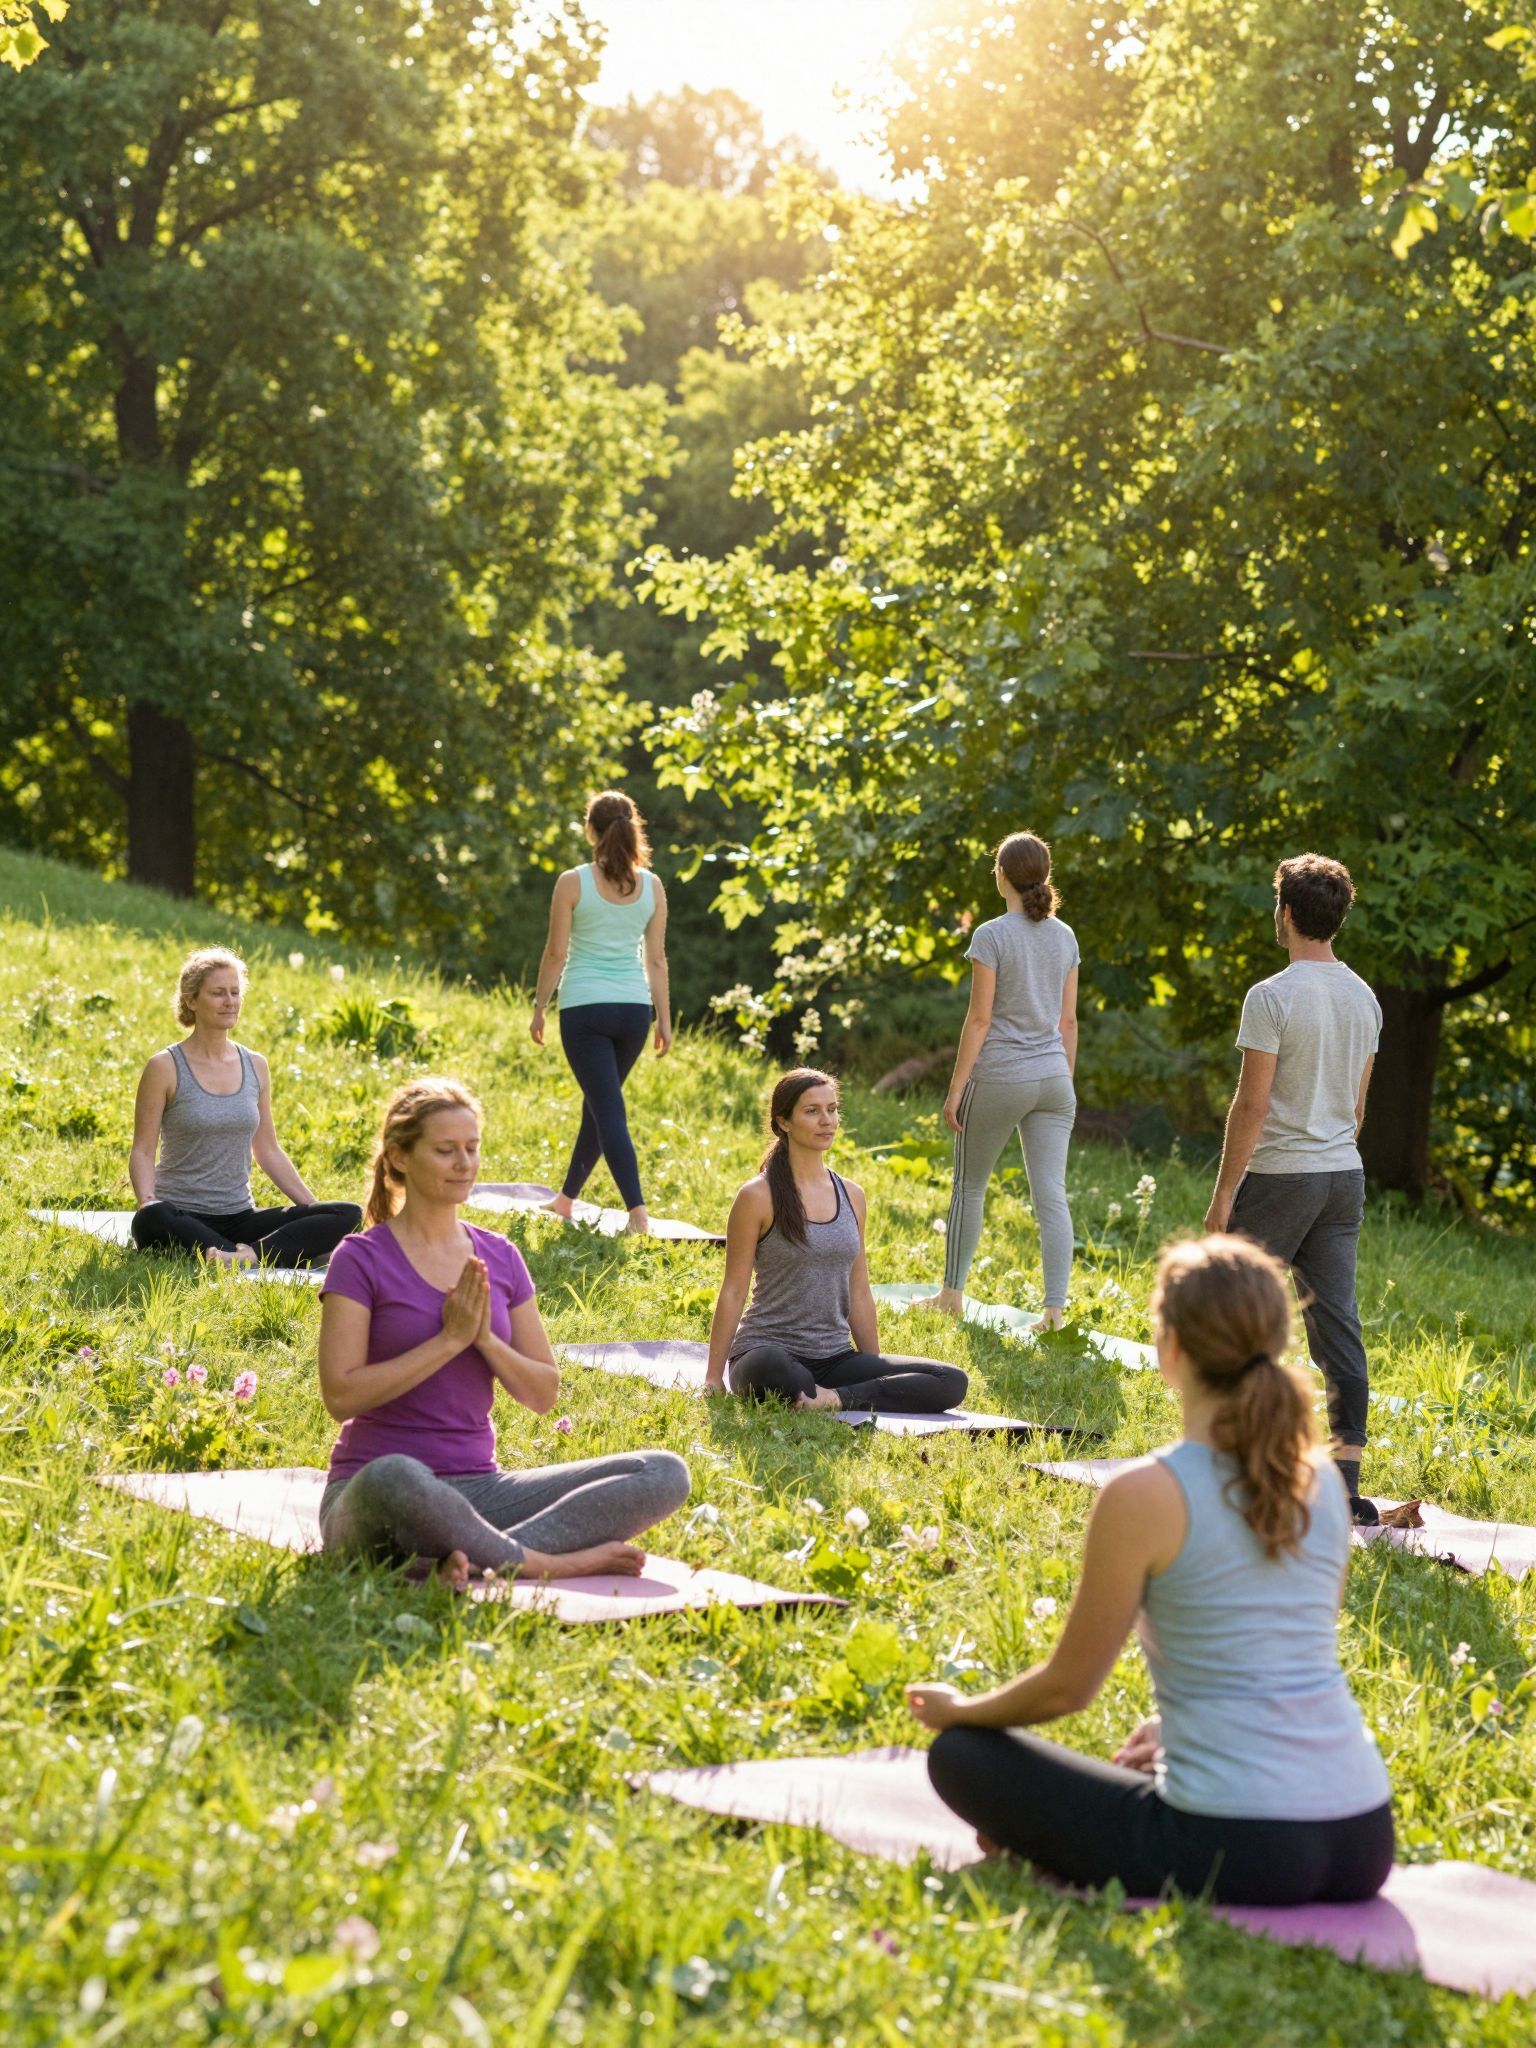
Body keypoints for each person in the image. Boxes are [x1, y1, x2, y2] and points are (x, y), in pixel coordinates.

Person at [907, 1235, 1393, 1907]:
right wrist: (1172, 1730)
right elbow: (1283, 1653)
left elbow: (1067, 1689)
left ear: (1170, 1352)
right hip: (1364, 1836)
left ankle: (1033, 1838)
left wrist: (962, 1711)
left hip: (1238, 1847)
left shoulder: (1145, 1493)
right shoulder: (1320, 1485)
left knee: (962, 1756)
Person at [317, 1077, 691, 1584]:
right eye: (445, 1150)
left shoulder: (500, 1256)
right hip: (378, 1495)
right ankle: (545, 1563)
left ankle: (461, 1558)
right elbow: (340, 1395)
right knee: (397, 1476)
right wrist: (446, 1341)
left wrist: (484, 1340)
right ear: (400, 1157)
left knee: (663, 1472)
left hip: (482, 1493)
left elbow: (543, 1393)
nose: (464, 1163)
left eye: (472, 1149)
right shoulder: (360, 1258)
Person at [1204, 854, 1380, 1524]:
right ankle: (1344, 1478)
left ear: (1285, 913)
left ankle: (1227, 1462)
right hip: (1343, 1176)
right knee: (1337, 1325)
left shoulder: (1271, 996)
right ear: (1337, 916)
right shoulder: (1363, 996)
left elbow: (1252, 1107)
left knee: (1231, 1313)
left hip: (1283, 1176)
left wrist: (1224, 1197)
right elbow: (1358, 1109)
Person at [703, 1068, 969, 1413]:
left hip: (835, 1359)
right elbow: (733, 1289)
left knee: (951, 1380)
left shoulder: (852, 1195)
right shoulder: (757, 1196)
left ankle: (834, 1399)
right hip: (767, 1351)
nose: (826, 1120)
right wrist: (713, 1377)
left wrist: (874, 1369)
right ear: (783, 1122)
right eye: (812, 1111)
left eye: (832, 1109)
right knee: (773, 1370)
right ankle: (819, 1394)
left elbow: (859, 1290)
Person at [925, 832, 1079, 1331]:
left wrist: (955, 1090)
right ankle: (1054, 1312)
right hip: (1055, 1080)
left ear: (1002, 876)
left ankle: (951, 1295)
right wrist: (1062, 1080)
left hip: (1001, 1077)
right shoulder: (1066, 936)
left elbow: (979, 1020)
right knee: (1051, 1194)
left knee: (969, 1186)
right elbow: (1069, 1023)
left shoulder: (991, 935)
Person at [130, 948, 360, 1269]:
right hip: (180, 1215)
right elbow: (143, 1149)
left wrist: (313, 1213)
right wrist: (146, 1201)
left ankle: (241, 1256)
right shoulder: (165, 1066)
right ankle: (257, 1254)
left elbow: (267, 1149)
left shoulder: (255, 1065)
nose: (230, 1001)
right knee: (150, 1218)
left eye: (235, 992)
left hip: (240, 1217)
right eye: (218, 993)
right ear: (192, 1000)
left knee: (348, 1214)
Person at [530, 790, 672, 1236]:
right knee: (601, 1104)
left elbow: (555, 953)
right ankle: (566, 1200)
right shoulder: (652, 886)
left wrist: (539, 1007)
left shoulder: (572, 882)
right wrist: (664, 1018)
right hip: (634, 1011)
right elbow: (657, 961)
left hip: (585, 1010)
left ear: (591, 830)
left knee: (608, 1108)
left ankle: (638, 1215)